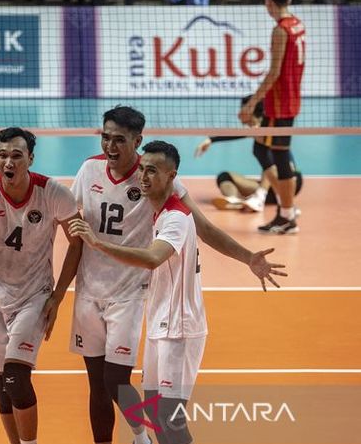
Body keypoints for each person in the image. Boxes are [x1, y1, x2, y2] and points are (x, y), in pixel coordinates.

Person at [68, 106, 286, 444]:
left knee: (152, 407)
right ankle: (141, 437)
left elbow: (196, 232)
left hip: (153, 308)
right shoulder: (99, 174)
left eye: (120, 140)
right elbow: (62, 214)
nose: (111, 147)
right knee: (139, 402)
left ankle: (141, 437)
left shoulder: (172, 208)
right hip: (144, 312)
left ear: (137, 144)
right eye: (105, 138)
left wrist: (246, 258)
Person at [69, 141, 205, 444]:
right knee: (158, 416)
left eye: (152, 171)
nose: (143, 177)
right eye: (142, 169)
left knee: (170, 421)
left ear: (172, 176)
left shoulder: (175, 217)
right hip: (161, 324)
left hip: (179, 327)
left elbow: (152, 258)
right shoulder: (158, 214)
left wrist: (97, 243)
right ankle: (141, 437)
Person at [0, 127, 83, 444]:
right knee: (0, 384)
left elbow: (77, 243)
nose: (8, 162)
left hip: (34, 297)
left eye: (16, 155)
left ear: (30, 159)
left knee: (16, 376)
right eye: (2, 155)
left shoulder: (52, 193)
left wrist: (57, 296)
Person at [239, 0, 305, 234]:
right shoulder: (298, 24)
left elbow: (274, 73)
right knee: (262, 148)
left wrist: (253, 103)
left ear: (269, 3)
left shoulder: (280, 30)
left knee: (277, 155)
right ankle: (285, 209)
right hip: (290, 99)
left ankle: (287, 214)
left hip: (279, 104)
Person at [195, 96, 303, 213]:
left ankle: (260, 197)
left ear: (250, 110)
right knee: (224, 176)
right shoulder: (256, 129)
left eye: (242, 108)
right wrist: (211, 140)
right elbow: (236, 133)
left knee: (269, 155)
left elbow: (281, 163)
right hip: (273, 186)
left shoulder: (268, 128)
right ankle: (234, 201)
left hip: (289, 182)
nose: (240, 112)